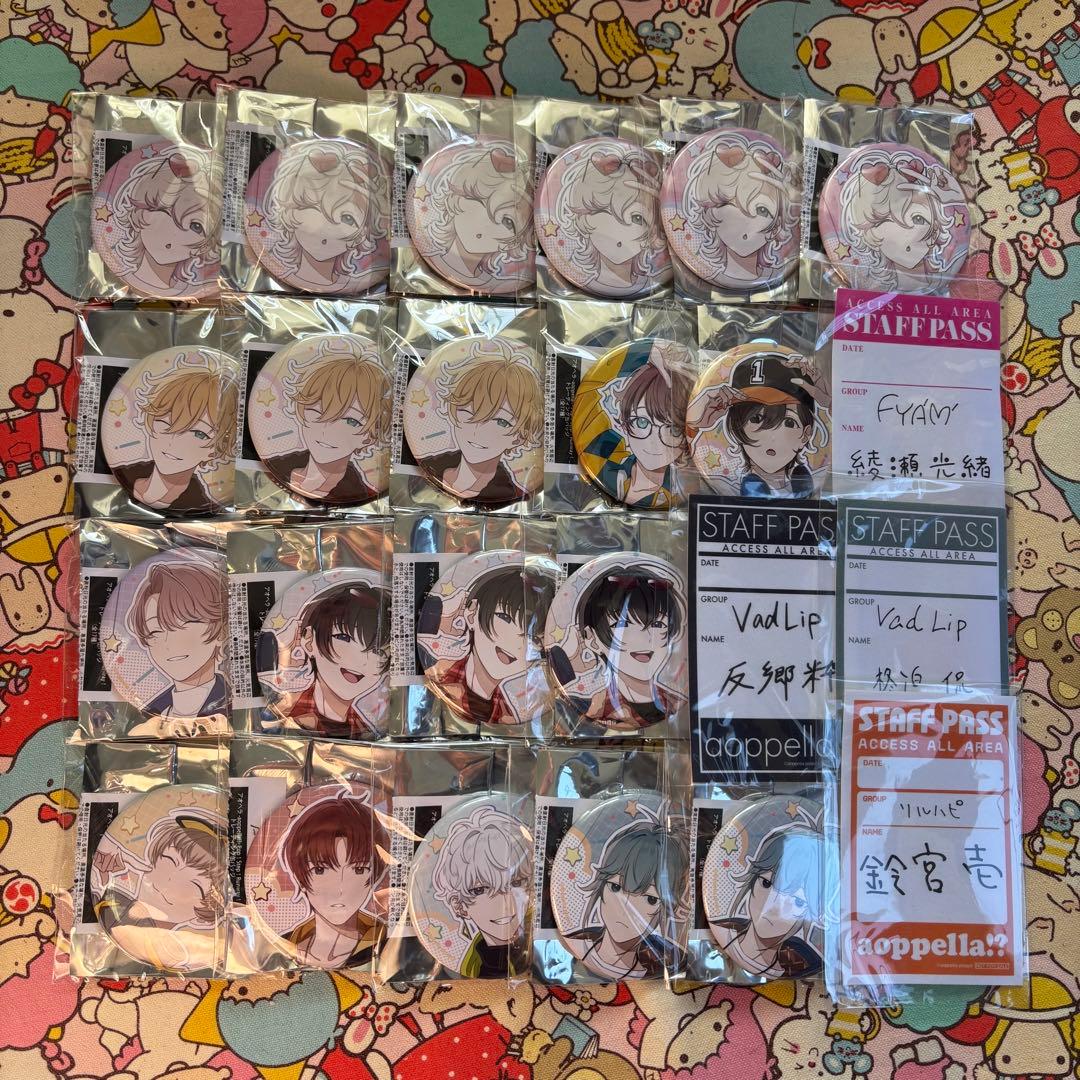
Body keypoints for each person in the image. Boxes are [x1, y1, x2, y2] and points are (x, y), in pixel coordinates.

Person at [418, 563, 557, 726]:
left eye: (535, 638)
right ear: (472, 614)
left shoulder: (519, 707)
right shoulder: (442, 674)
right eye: (505, 618)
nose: (517, 643)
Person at [550, 562, 685, 727]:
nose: (644, 638)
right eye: (622, 625)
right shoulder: (596, 706)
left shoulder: (674, 700)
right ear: (592, 639)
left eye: (658, 625)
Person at [686, 351, 829, 498]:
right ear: (736, 426)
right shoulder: (727, 482)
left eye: (789, 422)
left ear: (805, 435)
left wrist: (829, 400)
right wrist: (697, 425)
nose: (772, 436)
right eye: (756, 419)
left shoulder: (812, 479)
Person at [565, 811, 688, 979]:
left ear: (666, 906)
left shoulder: (669, 965)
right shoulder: (576, 944)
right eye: (615, 887)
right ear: (602, 885)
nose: (626, 909)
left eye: (650, 899)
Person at [95, 813, 226, 970]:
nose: (171, 880)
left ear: (206, 910)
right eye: (168, 861)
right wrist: (104, 877)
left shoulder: (187, 948)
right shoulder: (114, 904)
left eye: (192, 885)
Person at [418, 343, 542, 506]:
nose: (477, 431)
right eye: (467, 412)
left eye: (501, 422)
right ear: (452, 410)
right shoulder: (428, 466)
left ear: (519, 437)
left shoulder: (514, 491)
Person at [264, 346, 390, 505]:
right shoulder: (276, 466)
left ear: (369, 437)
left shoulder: (359, 491)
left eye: (351, 421)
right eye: (316, 411)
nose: (326, 431)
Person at [113, 358, 238, 512]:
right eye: (164, 422)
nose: (173, 442)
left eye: (199, 434)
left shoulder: (198, 503)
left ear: (215, 450)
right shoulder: (126, 471)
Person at [261, 140, 388, 291]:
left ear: (361, 235)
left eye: (348, 218)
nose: (326, 228)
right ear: (289, 213)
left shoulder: (362, 279)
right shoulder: (277, 268)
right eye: (313, 207)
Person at [279, 793, 387, 969]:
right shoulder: (283, 944)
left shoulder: (387, 944)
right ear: (299, 876)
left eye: (359, 870)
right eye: (320, 870)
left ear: (374, 875)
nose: (340, 889)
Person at [836, 147, 964, 292]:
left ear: (934, 231)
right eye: (885, 219)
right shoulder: (871, 283)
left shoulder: (952, 264)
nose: (906, 232)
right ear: (870, 234)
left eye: (918, 218)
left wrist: (953, 198)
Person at [710, 819, 825, 979]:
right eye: (766, 883)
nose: (773, 906)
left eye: (797, 901)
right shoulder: (719, 935)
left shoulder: (806, 963)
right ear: (752, 879)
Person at [583, 342, 693, 508]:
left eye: (673, 429)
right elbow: (590, 393)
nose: (655, 441)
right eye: (642, 422)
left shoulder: (682, 488)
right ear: (623, 422)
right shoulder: (607, 468)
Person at [276, 580, 390, 738]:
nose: (361, 660)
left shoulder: (366, 726)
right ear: (309, 640)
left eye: (377, 651)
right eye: (343, 637)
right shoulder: (288, 712)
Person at [429, 803, 531, 977]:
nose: (503, 902)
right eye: (480, 889)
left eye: (516, 882)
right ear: (459, 905)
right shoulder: (469, 961)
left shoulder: (541, 950)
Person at [681, 134, 795, 285]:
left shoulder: (779, 274)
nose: (744, 221)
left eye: (762, 210)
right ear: (709, 214)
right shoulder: (705, 274)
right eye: (728, 203)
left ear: (775, 227)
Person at [552, 147, 667, 295]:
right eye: (605, 211)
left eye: (637, 218)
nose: (619, 230)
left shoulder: (655, 279)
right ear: (584, 219)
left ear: (651, 232)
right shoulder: (579, 276)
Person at [418, 141, 533, 289]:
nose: (487, 223)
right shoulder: (431, 256)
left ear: (514, 242)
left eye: (508, 222)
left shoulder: (501, 282)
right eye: (480, 198)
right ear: (457, 199)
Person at [106, 149, 218, 296]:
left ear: (205, 246)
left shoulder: (195, 289)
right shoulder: (122, 273)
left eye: (196, 226)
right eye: (163, 210)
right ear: (141, 214)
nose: (173, 233)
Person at [126, 559, 228, 719]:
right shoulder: (150, 710)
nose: (169, 644)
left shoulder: (236, 704)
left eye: (185, 624)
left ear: (220, 630)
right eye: (154, 631)